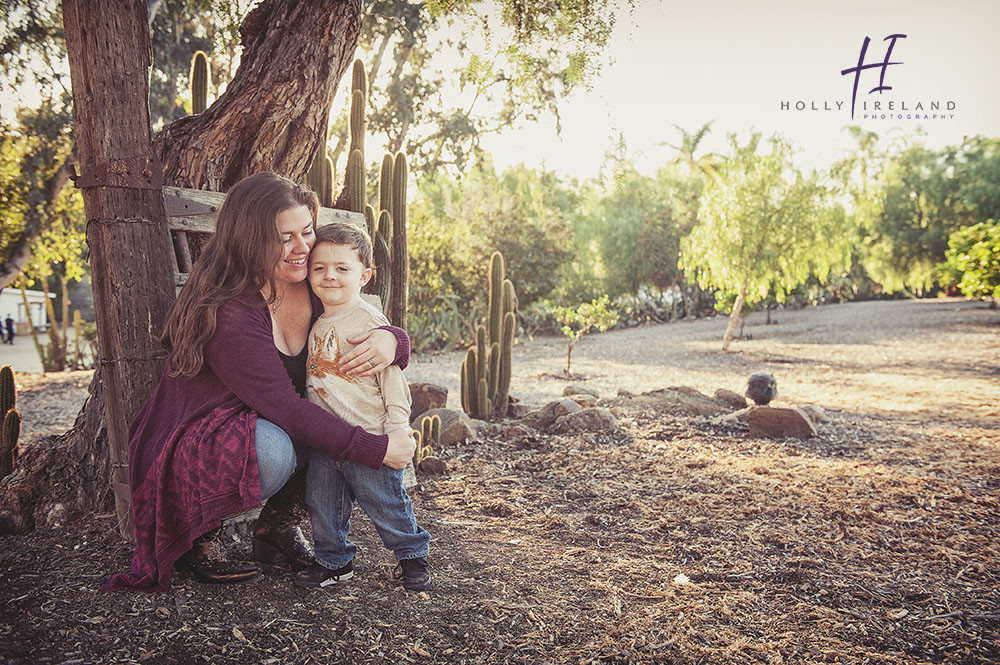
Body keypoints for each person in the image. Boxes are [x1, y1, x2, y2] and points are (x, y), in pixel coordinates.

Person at [102, 172, 415, 592]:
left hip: (269, 415)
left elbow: (358, 316)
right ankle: (199, 539)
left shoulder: (311, 277)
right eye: (285, 238)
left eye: (307, 231)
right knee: (273, 450)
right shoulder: (231, 308)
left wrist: (393, 340)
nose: (302, 247)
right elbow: (286, 408)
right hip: (201, 434)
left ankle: (277, 527)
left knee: (326, 415)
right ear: (251, 239)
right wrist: (377, 449)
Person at [293, 223, 431, 592]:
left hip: (370, 436)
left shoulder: (370, 322)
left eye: (342, 268)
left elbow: (393, 381)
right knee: (323, 506)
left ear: (365, 275)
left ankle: (412, 554)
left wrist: (398, 428)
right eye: (319, 267)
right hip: (329, 440)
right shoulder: (315, 320)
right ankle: (334, 560)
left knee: (385, 502)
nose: (330, 276)